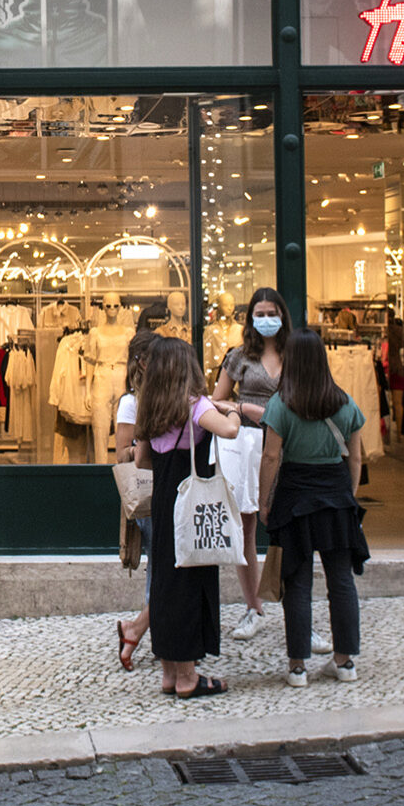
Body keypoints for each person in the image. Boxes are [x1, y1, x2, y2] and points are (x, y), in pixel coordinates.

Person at [212, 288, 329, 650]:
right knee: (247, 528)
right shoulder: (239, 357)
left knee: (291, 530)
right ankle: (253, 607)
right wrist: (241, 411)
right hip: (247, 447)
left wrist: (265, 414)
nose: (265, 319)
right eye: (258, 312)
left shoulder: (296, 355)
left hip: (289, 445)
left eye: (271, 312)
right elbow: (216, 400)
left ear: (282, 315)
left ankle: (299, 617)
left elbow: (309, 397)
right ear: (250, 318)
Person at [257, 328, 370, 689]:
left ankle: (297, 667)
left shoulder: (280, 404)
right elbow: (356, 458)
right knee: (340, 580)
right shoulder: (345, 403)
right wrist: (348, 495)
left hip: (296, 497)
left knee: (297, 582)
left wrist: (264, 502)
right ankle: (345, 661)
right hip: (336, 495)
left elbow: (271, 456)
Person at [133, 336, 242, 698]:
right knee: (190, 583)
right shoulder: (195, 406)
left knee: (164, 581)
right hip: (192, 501)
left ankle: (168, 673)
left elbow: (140, 461)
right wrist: (234, 410)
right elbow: (227, 430)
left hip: (164, 501)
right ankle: (188, 678)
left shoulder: (149, 408)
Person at [112, 329, 157, 671]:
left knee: (164, 566)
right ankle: (139, 629)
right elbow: (122, 453)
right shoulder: (131, 402)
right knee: (162, 568)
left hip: (168, 489)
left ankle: (145, 630)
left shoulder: (162, 395)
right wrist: (151, 445)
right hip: (149, 491)